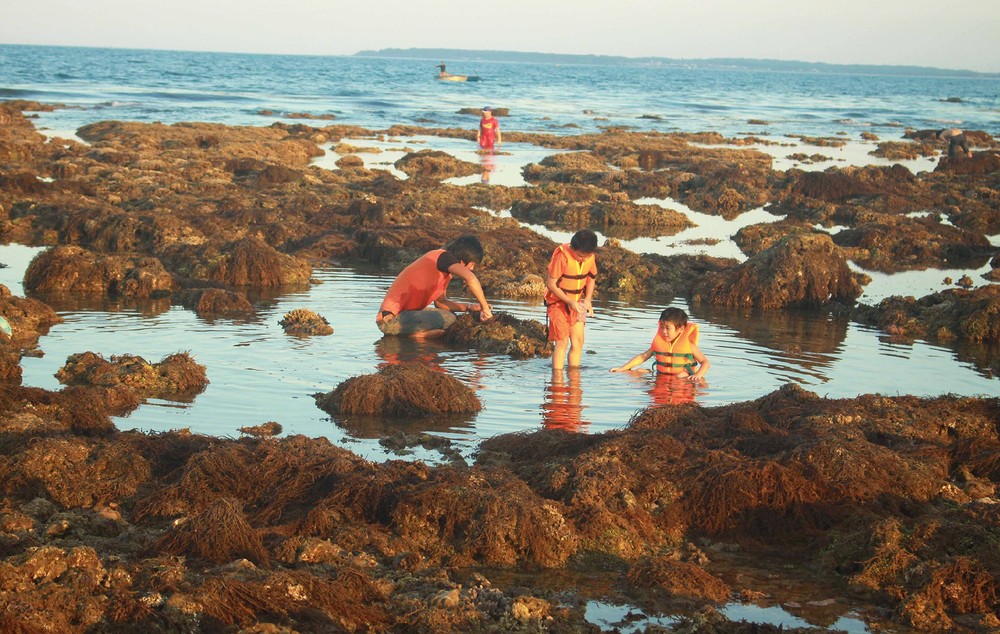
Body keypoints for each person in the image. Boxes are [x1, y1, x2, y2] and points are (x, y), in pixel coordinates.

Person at [376, 235, 493, 339]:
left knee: (450, 317)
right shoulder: (442, 257)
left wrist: (470, 307)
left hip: (401, 317)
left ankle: (408, 335)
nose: (472, 268)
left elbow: (441, 303)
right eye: (472, 264)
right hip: (391, 319)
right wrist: (485, 308)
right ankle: (411, 337)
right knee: (449, 319)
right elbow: (471, 278)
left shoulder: (442, 270)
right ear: (463, 260)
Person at [545, 229, 598, 370]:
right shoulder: (562, 257)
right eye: (581, 256)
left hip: (578, 303)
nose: (584, 259)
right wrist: (569, 302)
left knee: (578, 341)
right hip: (558, 304)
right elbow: (551, 284)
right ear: (573, 248)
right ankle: (557, 382)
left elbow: (591, 279)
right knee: (562, 342)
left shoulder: (590, 257)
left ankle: (574, 381)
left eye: (587, 256)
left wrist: (587, 299)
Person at [610, 307, 711, 381]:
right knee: (635, 372)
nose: (663, 331)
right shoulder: (659, 343)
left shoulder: (689, 346)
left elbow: (705, 362)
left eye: (668, 328)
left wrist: (697, 375)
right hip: (661, 375)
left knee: (687, 378)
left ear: (681, 329)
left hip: (682, 377)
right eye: (662, 327)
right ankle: (646, 372)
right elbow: (643, 356)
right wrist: (622, 369)